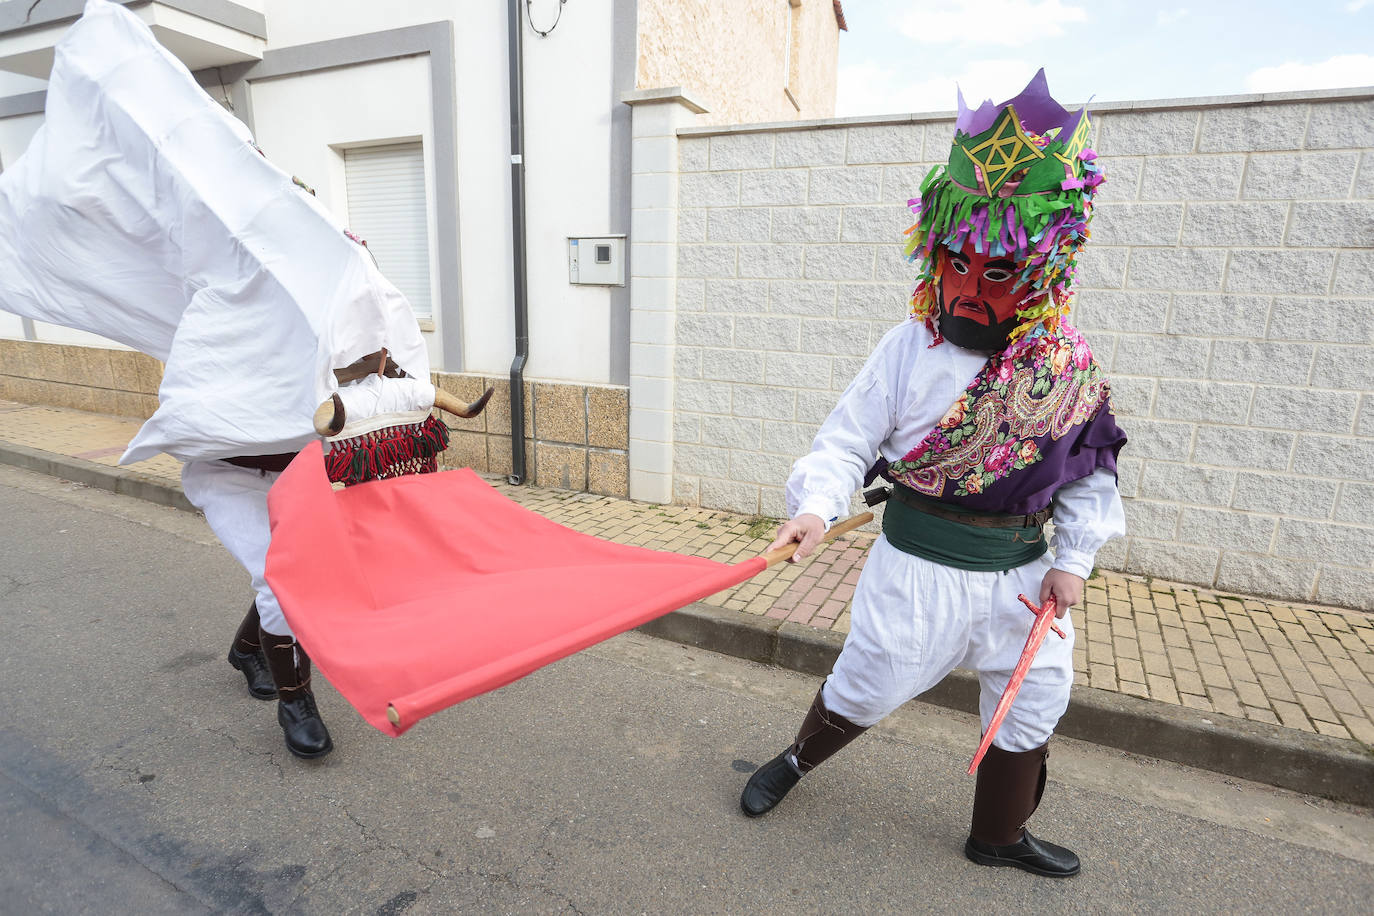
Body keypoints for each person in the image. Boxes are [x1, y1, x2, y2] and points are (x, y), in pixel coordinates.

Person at [739, 70, 1127, 879]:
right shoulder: (905, 348)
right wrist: (816, 505)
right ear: (937, 250)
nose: (971, 289)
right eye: (959, 263)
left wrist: (1074, 561)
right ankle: (795, 761)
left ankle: (999, 837)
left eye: (999, 272)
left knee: (1033, 698)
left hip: (1020, 575)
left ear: (1042, 267)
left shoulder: (1063, 363)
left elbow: (1087, 472)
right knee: (869, 683)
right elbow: (845, 441)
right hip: (917, 569)